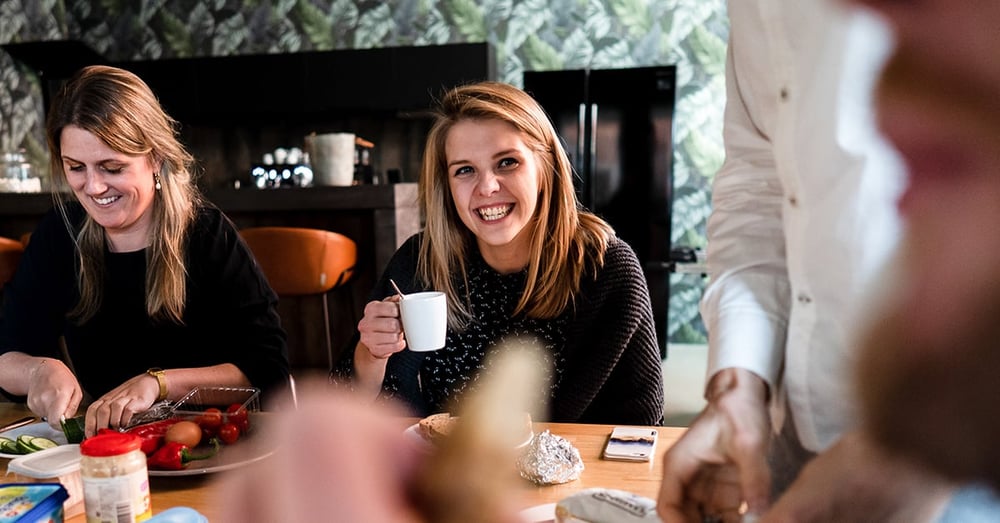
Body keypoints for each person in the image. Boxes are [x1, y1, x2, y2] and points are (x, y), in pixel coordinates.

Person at [657, 1, 1000, 522]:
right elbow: (760, 188)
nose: (885, 118)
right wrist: (739, 388)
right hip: (797, 438)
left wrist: (910, 445)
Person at [332, 81, 664, 425]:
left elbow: (643, 426)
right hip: (445, 473)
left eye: (507, 162)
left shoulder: (606, 268)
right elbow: (343, 404)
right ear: (447, 186)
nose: (487, 187)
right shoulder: (421, 261)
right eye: (465, 170)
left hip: (570, 475)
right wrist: (371, 355)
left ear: (545, 168)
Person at [0, 65, 290, 436]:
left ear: (154, 158)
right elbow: (9, 353)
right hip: (111, 443)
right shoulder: (61, 232)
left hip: (210, 439)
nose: (92, 187)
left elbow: (267, 370)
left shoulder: (205, 233)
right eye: (76, 167)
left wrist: (158, 383)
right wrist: (38, 370)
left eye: (112, 167)